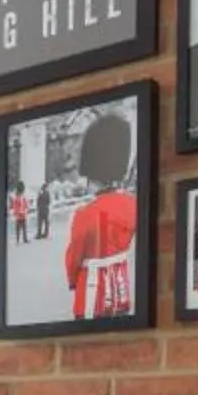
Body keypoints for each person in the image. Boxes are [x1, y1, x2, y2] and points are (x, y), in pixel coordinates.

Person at [62, 111, 139, 320]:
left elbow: (73, 258)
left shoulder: (85, 215)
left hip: (92, 292)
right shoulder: (132, 205)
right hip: (121, 288)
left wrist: (71, 280)